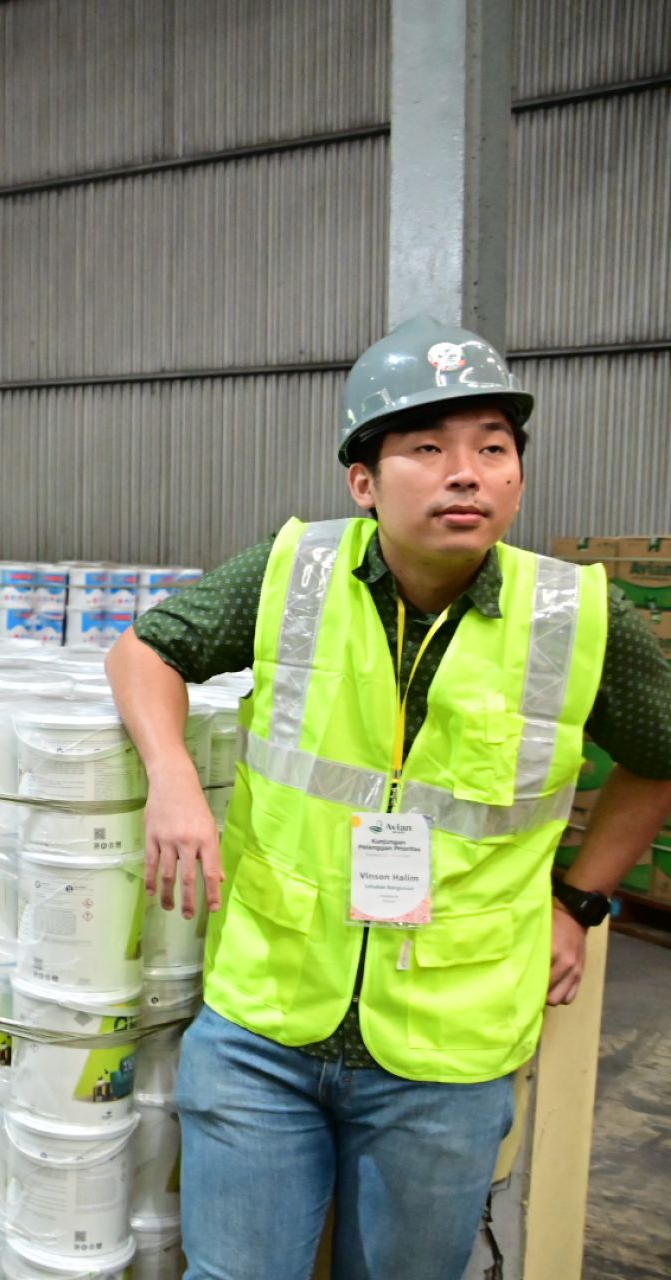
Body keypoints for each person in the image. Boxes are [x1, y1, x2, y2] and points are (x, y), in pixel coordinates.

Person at [105, 315, 671, 1280]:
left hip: (448, 1050)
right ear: (363, 482)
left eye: (493, 449)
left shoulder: (577, 615)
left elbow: (658, 760)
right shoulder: (295, 570)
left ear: (518, 475)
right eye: (428, 449)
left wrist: (579, 900)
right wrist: (173, 780)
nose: (467, 475)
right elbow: (145, 650)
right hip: (265, 1027)